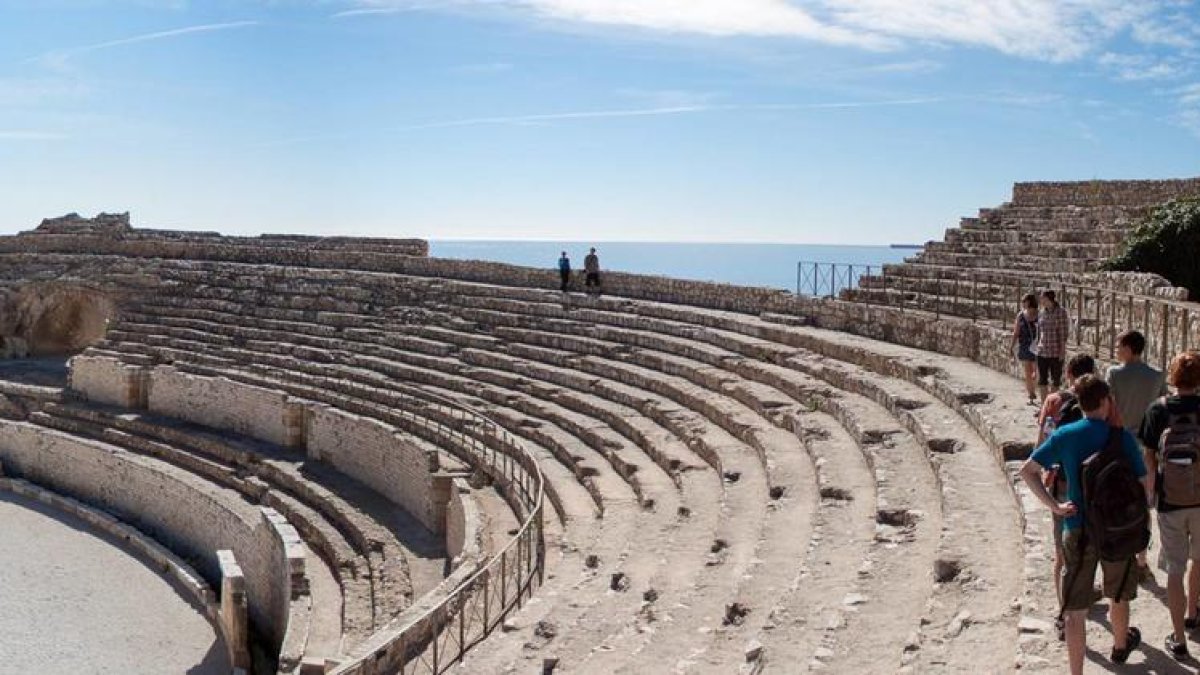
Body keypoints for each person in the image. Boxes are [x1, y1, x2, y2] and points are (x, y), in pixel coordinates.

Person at [1020, 375, 1149, 674]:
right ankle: (1120, 646)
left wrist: (1055, 506)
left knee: (1075, 611)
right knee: (1118, 593)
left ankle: (1076, 671)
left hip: (1077, 526)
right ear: (1105, 401)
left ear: (1080, 403)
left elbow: (1028, 471)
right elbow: (1143, 485)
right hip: (1115, 528)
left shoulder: (1065, 434)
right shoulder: (1121, 437)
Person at [1140, 351, 1200, 660]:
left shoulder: (1157, 409)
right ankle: (1193, 614)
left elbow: (1149, 457)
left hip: (1170, 500)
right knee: (1199, 560)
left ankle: (1179, 639)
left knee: (1175, 570)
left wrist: (1151, 493)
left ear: (1173, 377)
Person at [1036, 353, 1097, 614]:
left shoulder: (1054, 400)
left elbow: (1042, 441)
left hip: (1061, 482)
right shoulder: (1100, 401)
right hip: (1091, 483)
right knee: (1088, 544)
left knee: (1061, 550)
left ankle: (1064, 607)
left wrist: (1045, 469)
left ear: (1069, 373)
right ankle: (1083, 594)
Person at [1036, 289, 1071, 400]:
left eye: (1042, 298)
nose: (1041, 300)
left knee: (1055, 380)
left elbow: (1063, 332)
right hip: (1042, 351)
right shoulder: (1042, 312)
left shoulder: (1061, 312)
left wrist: (1062, 351)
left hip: (1055, 351)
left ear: (1048, 298)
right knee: (1042, 380)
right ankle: (1044, 405)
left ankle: (1052, 404)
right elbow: (1039, 331)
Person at [1011, 293, 1040, 405]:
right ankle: (1031, 394)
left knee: (1036, 371)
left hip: (1038, 346)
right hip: (1025, 345)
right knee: (1028, 371)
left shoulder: (1040, 314)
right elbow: (1016, 332)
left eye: (1024, 301)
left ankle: (1034, 389)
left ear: (1030, 302)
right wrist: (1012, 346)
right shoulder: (1021, 315)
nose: (1023, 303)